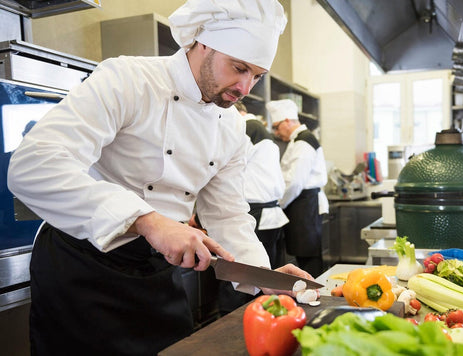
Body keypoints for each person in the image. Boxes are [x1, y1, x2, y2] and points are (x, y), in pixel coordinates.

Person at [7, 1, 314, 355]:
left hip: (155, 269)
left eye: (256, 76)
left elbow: (228, 214)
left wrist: (263, 275)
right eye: (239, 67)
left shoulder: (230, 127)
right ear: (204, 44)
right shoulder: (128, 80)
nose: (245, 87)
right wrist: (148, 220)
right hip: (80, 266)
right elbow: (32, 164)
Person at [215, 101, 289, 314]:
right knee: (264, 278)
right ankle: (264, 319)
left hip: (253, 213)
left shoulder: (244, 127)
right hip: (271, 214)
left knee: (238, 279)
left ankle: (236, 324)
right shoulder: (262, 131)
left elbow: (221, 175)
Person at [266, 98, 328, 277]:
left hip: (304, 204)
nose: (277, 132)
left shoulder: (303, 141)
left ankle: (313, 295)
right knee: (306, 255)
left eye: (276, 127)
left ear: (287, 121)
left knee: (307, 257)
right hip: (303, 203)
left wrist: (279, 204)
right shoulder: (298, 140)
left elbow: (294, 182)